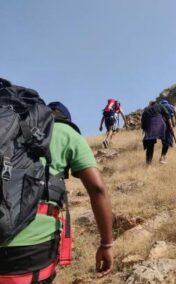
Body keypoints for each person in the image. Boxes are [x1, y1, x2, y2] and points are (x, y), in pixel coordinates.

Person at [0, 91, 113, 283]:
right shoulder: (66, 132)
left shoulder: (9, 127)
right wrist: (107, 243)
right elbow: (97, 189)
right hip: (32, 247)